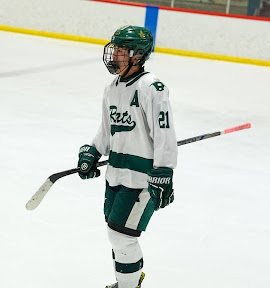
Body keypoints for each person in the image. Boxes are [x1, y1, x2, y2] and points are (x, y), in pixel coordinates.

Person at [77, 25, 178, 288]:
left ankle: (129, 286)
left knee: (121, 236)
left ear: (138, 56)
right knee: (116, 233)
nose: (115, 56)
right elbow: (107, 131)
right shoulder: (112, 88)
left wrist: (164, 171)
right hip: (116, 173)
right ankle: (127, 281)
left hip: (142, 179)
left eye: (121, 51)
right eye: (115, 50)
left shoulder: (151, 88)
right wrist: (92, 150)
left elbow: (164, 134)